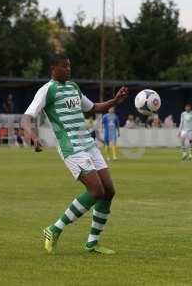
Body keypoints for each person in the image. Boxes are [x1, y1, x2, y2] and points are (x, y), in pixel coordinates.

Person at [21, 53, 128, 255]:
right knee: (96, 191)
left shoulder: (73, 87)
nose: (69, 69)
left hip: (88, 144)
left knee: (109, 191)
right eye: (64, 66)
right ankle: (54, 229)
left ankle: (92, 243)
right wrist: (33, 136)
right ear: (54, 67)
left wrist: (115, 100)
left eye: (70, 66)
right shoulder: (46, 90)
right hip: (71, 146)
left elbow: (94, 108)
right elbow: (26, 118)